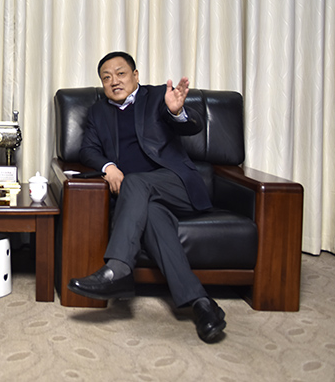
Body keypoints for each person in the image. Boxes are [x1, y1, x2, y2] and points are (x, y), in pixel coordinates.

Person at [67, 51, 226, 343]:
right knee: (152, 217)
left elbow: (193, 124)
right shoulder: (98, 112)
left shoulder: (156, 97)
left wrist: (177, 112)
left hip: (177, 185)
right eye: (106, 77)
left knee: (136, 181)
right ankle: (203, 304)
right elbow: (88, 149)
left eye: (121, 73)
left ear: (136, 75)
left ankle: (118, 270)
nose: (114, 81)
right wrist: (108, 167)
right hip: (142, 201)